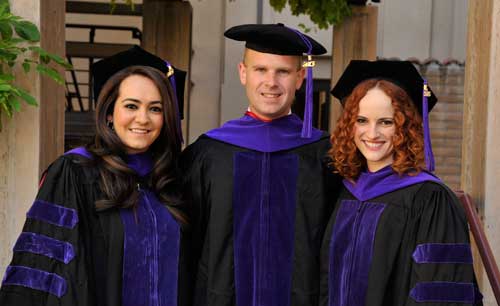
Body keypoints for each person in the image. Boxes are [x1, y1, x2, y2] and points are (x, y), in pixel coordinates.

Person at [0, 46, 190, 306]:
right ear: (110, 113)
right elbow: (42, 269)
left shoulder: (172, 179)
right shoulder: (75, 173)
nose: (143, 118)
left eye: (155, 109)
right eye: (131, 106)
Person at [181, 23, 340, 306]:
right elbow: (187, 244)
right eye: (260, 70)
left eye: (283, 71)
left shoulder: (325, 155)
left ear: (301, 77)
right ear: (243, 73)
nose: (271, 82)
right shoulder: (209, 153)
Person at [320, 60, 482, 306]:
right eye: (362, 120)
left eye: (386, 122)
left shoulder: (430, 199)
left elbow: (440, 294)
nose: (372, 133)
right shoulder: (341, 191)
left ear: (405, 128)